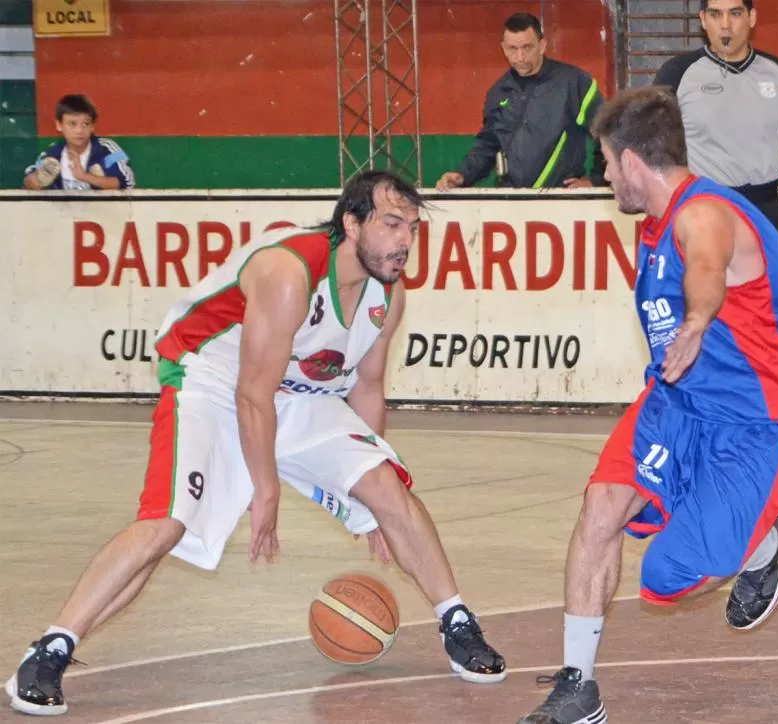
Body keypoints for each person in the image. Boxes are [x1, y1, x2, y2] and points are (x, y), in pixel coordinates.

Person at [6, 170, 506, 718]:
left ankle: (458, 623)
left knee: (389, 489)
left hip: (300, 394)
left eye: (412, 227)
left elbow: (366, 385)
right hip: (212, 383)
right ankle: (50, 649)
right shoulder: (288, 271)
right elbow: (252, 393)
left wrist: (365, 492)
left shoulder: (388, 291)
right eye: (391, 224)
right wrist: (263, 487)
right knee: (167, 525)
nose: (405, 240)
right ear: (351, 223)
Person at [517, 87, 778, 724]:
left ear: (634, 161)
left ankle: (762, 542)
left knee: (667, 577)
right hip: (676, 399)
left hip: (754, 423)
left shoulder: (700, 216)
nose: (606, 176)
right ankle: (576, 687)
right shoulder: (656, 221)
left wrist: (699, 320)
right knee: (601, 504)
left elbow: (706, 267)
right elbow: (752, 288)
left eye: (608, 164)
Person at [653, 0, 778, 497]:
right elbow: (655, 151)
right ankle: (690, 457)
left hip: (766, 214)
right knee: (698, 334)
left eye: (735, 13)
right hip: (704, 212)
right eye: (715, 14)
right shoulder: (678, 73)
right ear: (703, 21)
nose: (726, 24)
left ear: (752, 18)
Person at [435, 12, 606, 191]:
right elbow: (488, 145)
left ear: (542, 45)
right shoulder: (498, 91)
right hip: (510, 201)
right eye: (512, 49)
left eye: (527, 48)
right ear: (503, 48)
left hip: (560, 201)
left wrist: (597, 182)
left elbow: (607, 132)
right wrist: (463, 175)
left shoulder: (573, 82)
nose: (519, 58)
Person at [24, 94, 135, 191]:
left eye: (85, 124)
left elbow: (127, 181)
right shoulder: (52, 153)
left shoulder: (107, 149)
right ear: (59, 125)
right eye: (72, 124)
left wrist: (84, 176)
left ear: (92, 126)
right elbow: (28, 181)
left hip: (102, 214)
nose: (79, 131)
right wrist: (39, 179)